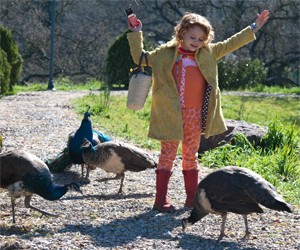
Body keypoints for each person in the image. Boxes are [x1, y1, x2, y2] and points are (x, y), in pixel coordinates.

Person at [127, 10, 270, 212]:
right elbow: (140, 58)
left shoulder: (209, 53)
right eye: (192, 37)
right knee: (167, 154)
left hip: (195, 115)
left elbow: (232, 43)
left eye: (201, 39)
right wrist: (136, 32)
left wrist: (254, 27)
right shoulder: (164, 54)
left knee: (190, 155)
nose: (196, 41)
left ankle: (192, 200)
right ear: (181, 34)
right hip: (170, 114)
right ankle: (160, 201)